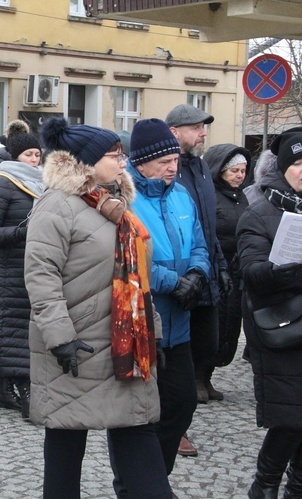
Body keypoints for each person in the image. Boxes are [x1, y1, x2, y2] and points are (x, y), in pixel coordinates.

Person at [27, 117, 171, 499]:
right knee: (66, 442)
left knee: (137, 434)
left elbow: (139, 278)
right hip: (77, 348)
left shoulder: (117, 205)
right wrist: (61, 339)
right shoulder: (56, 206)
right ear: (86, 162)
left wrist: (151, 333)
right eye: (114, 154)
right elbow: (41, 276)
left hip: (126, 345)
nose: (123, 161)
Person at [125, 118, 209, 484]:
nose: (173, 168)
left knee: (182, 404)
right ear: (142, 162)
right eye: (164, 162)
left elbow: (201, 244)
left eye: (175, 160)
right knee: (141, 415)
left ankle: (156, 481)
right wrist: (174, 281)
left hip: (181, 321)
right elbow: (131, 257)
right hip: (146, 321)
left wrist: (198, 275)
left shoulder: (181, 195)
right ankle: (141, 486)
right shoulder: (125, 198)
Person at [237, 129, 302, 499]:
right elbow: (252, 272)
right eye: (297, 163)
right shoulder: (260, 210)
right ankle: (264, 484)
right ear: (283, 167)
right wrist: (287, 268)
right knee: (292, 418)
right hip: (281, 327)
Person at [166, 104, 232, 413]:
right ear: (175, 132)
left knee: (210, 337)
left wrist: (219, 265)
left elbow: (208, 223)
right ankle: (189, 386)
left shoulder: (202, 168)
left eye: (203, 127)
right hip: (183, 269)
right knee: (186, 339)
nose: (203, 133)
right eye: (196, 128)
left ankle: (203, 378)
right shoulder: (170, 169)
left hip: (207, 262)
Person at [0, 120, 43, 419]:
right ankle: (21, 390)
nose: (34, 160)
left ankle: (5, 392)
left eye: (37, 155)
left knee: (18, 333)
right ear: (16, 156)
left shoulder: (40, 185)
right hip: (4, 272)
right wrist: (22, 232)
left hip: (29, 269)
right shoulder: (1, 184)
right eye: (29, 155)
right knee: (11, 332)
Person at [204, 144, 250, 378]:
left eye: (242, 171)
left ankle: (210, 375)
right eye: (234, 171)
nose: (239, 176)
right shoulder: (209, 195)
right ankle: (200, 375)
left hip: (236, 270)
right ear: (221, 170)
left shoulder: (243, 197)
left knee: (231, 324)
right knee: (213, 324)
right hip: (215, 270)